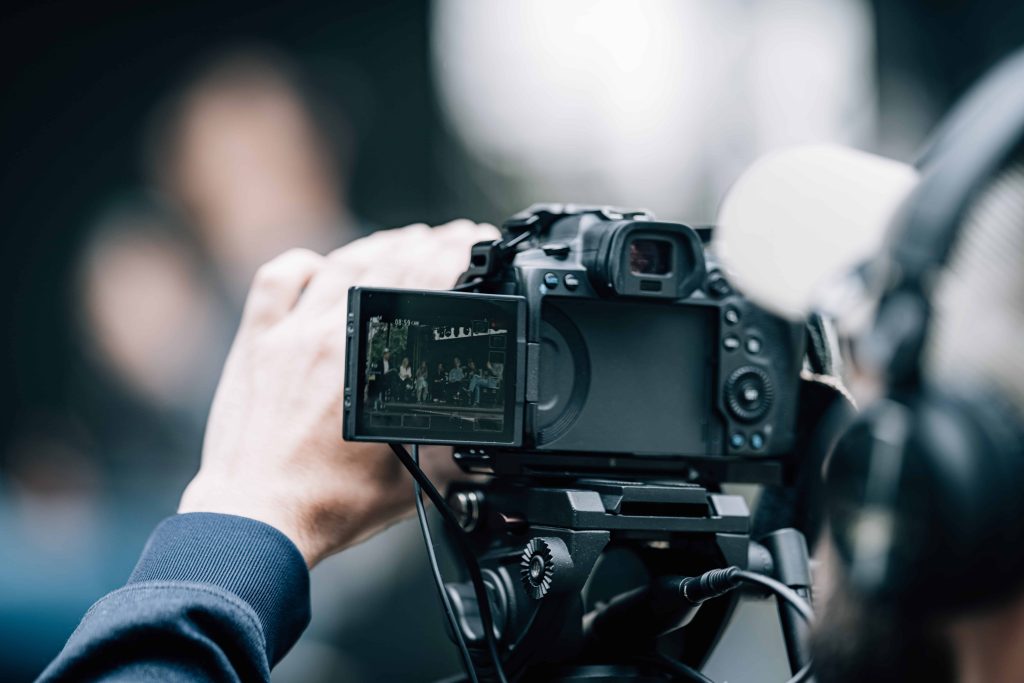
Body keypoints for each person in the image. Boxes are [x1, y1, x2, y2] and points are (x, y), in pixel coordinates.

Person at [37, 219, 499, 682]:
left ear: (190, 289)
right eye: (113, 302)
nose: (128, 324)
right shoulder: (110, 413)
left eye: (144, 296)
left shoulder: (235, 383)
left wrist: (250, 516)